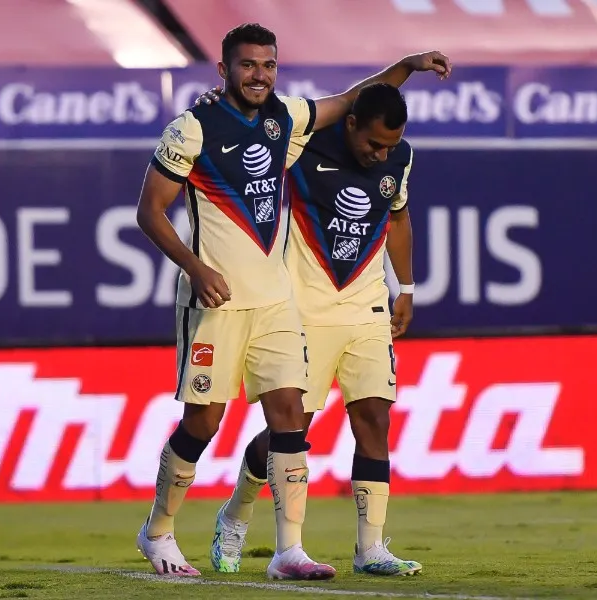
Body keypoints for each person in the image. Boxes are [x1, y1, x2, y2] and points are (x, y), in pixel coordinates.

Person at [134, 22, 450, 580]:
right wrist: (196, 267)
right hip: (216, 300)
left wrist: (409, 64)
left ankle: (288, 551)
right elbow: (149, 211)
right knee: (202, 424)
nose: (259, 75)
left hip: (277, 302)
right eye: (248, 65)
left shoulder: (286, 121)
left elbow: (356, 98)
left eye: (268, 65)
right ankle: (157, 530)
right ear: (225, 70)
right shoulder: (193, 126)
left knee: (288, 419)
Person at [207, 83, 421, 576]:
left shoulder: (399, 158)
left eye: (390, 145)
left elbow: (399, 216)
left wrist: (405, 286)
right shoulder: (303, 146)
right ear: (350, 124)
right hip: (302, 308)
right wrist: (214, 104)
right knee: (290, 431)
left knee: (374, 418)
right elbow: (252, 127)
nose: (381, 154)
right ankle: (238, 509)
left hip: (366, 307)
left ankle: (370, 550)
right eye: (373, 144)